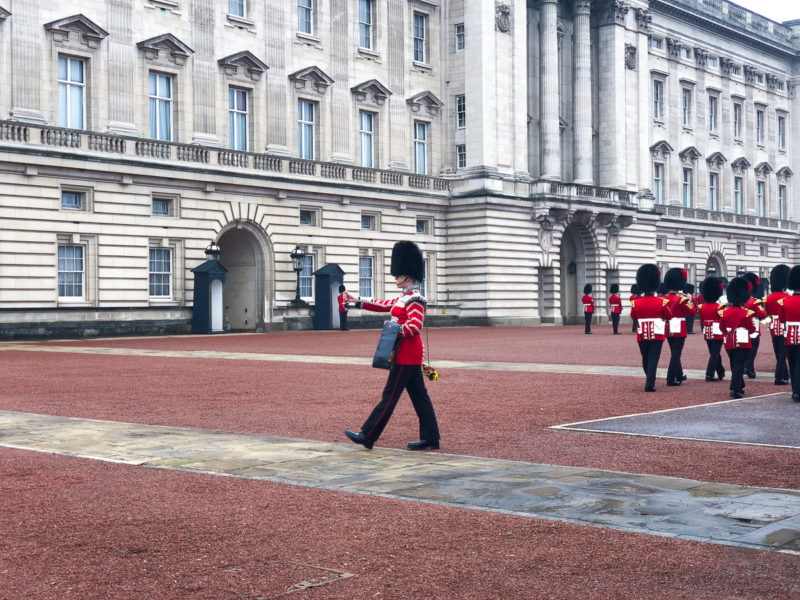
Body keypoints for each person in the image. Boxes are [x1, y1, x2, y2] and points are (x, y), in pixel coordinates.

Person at [344, 241, 441, 450]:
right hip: (406, 354)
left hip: (406, 354)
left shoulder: (415, 298)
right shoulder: (405, 297)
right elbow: (384, 305)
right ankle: (431, 437)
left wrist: (392, 332)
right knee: (419, 397)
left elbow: (414, 326)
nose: (395, 277)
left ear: (408, 274)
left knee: (389, 396)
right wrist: (357, 300)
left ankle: (368, 435)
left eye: (398, 274)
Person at [630, 264, 672, 392]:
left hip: (642, 333)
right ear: (655, 286)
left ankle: (650, 378)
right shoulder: (662, 302)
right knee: (653, 357)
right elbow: (669, 316)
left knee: (645, 357)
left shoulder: (636, 303)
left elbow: (633, 316)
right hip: (657, 333)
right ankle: (650, 383)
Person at [720, 276, 758, 399]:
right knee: (739, 365)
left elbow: (722, 328)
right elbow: (752, 329)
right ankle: (734, 389)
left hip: (729, 341)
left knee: (734, 364)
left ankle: (740, 385)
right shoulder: (747, 313)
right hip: (742, 341)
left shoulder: (724, 313)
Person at [663, 268, 696, 386]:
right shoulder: (682, 299)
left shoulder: (664, 299)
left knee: (674, 352)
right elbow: (692, 312)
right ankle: (670, 378)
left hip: (668, 327)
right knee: (676, 354)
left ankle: (680, 374)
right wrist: (690, 299)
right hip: (679, 328)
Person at [765, 264, 791, 385]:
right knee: (783, 352)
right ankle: (779, 376)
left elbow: (767, 315)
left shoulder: (768, 299)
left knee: (777, 351)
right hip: (784, 326)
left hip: (773, 327)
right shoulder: (787, 297)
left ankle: (784, 374)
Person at [778, 265, 800, 402]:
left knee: (792, 364)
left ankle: (795, 391)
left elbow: (781, 320)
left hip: (790, 336)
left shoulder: (784, 302)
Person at [698, 276, 726, 382]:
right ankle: (709, 374)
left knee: (714, 353)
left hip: (707, 331)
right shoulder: (719, 307)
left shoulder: (702, 307)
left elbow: (701, 321)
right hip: (717, 331)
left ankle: (721, 371)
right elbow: (722, 320)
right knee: (715, 353)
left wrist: (704, 331)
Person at [742, 272, 768, 379]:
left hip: (742, 329)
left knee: (745, 350)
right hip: (753, 328)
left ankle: (750, 370)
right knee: (753, 349)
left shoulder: (739, 301)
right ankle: (747, 367)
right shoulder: (754, 302)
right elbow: (762, 315)